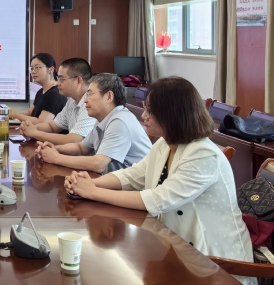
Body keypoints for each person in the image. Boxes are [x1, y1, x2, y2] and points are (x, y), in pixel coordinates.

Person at [64, 76, 253, 273]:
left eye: (150, 111)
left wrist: (92, 192)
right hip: (177, 248)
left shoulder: (203, 155)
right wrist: (88, 183)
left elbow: (159, 199)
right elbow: (132, 175)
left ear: (172, 115)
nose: (144, 115)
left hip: (214, 262)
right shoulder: (164, 143)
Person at [37, 73, 152, 174]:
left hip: (139, 189)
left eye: (89, 94)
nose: (85, 100)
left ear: (109, 97)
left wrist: (56, 158)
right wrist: (54, 149)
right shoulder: (103, 118)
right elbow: (81, 148)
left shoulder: (120, 121)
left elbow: (98, 164)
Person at [19, 58, 96, 145]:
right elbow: (52, 127)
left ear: (78, 80)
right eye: (58, 78)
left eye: (62, 79)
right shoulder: (72, 101)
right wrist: (32, 128)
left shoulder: (91, 103)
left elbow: (73, 140)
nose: (58, 83)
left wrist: (34, 133)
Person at [9, 53, 66, 125]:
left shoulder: (54, 94)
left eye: (37, 67)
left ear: (51, 69)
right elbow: (30, 112)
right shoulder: (41, 91)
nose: (33, 71)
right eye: (32, 68)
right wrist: (12, 116)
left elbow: (42, 122)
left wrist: (16, 115)